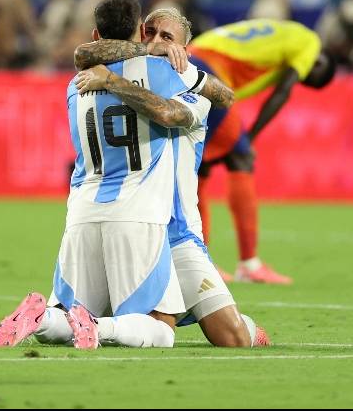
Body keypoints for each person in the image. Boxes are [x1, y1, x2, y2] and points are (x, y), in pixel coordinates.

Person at [0, 0, 214, 350]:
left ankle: (41, 319)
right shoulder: (162, 73)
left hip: (82, 212)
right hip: (137, 215)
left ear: (95, 34)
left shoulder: (75, 83)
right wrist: (184, 65)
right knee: (161, 327)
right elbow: (197, 103)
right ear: (142, 32)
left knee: (68, 312)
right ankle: (100, 329)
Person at [75, 17, 335, 284]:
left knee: (201, 166)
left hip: (195, 56)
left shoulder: (288, 30)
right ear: (319, 62)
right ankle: (247, 263)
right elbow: (282, 92)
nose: (303, 77)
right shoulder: (310, 45)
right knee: (240, 156)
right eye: (308, 76)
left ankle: (198, 257)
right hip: (209, 71)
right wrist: (253, 135)